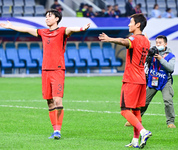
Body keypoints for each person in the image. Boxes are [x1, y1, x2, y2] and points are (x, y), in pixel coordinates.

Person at [0, 9, 90, 139]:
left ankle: (58, 130)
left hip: (58, 70)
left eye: (49, 16)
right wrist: (11, 26)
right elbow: (26, 30)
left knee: (57, 100)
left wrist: (82, 28)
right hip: (45, 70)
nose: (47, 18)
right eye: (46, 16)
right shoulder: (43, 32)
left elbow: (71, 29)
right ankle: (54, 130)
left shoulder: (62, 31)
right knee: (49, 102)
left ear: (57, 19)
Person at [99, 13, 152, 149]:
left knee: (124, 110)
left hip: (131, 79)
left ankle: (143, 131)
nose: (129, 24)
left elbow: (125, 42)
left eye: (131, 22)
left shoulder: (133, 38)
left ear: (138, 25)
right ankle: (135, 140)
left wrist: (109, 38)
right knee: (136, 111)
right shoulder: (146, 40)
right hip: (141, 79)